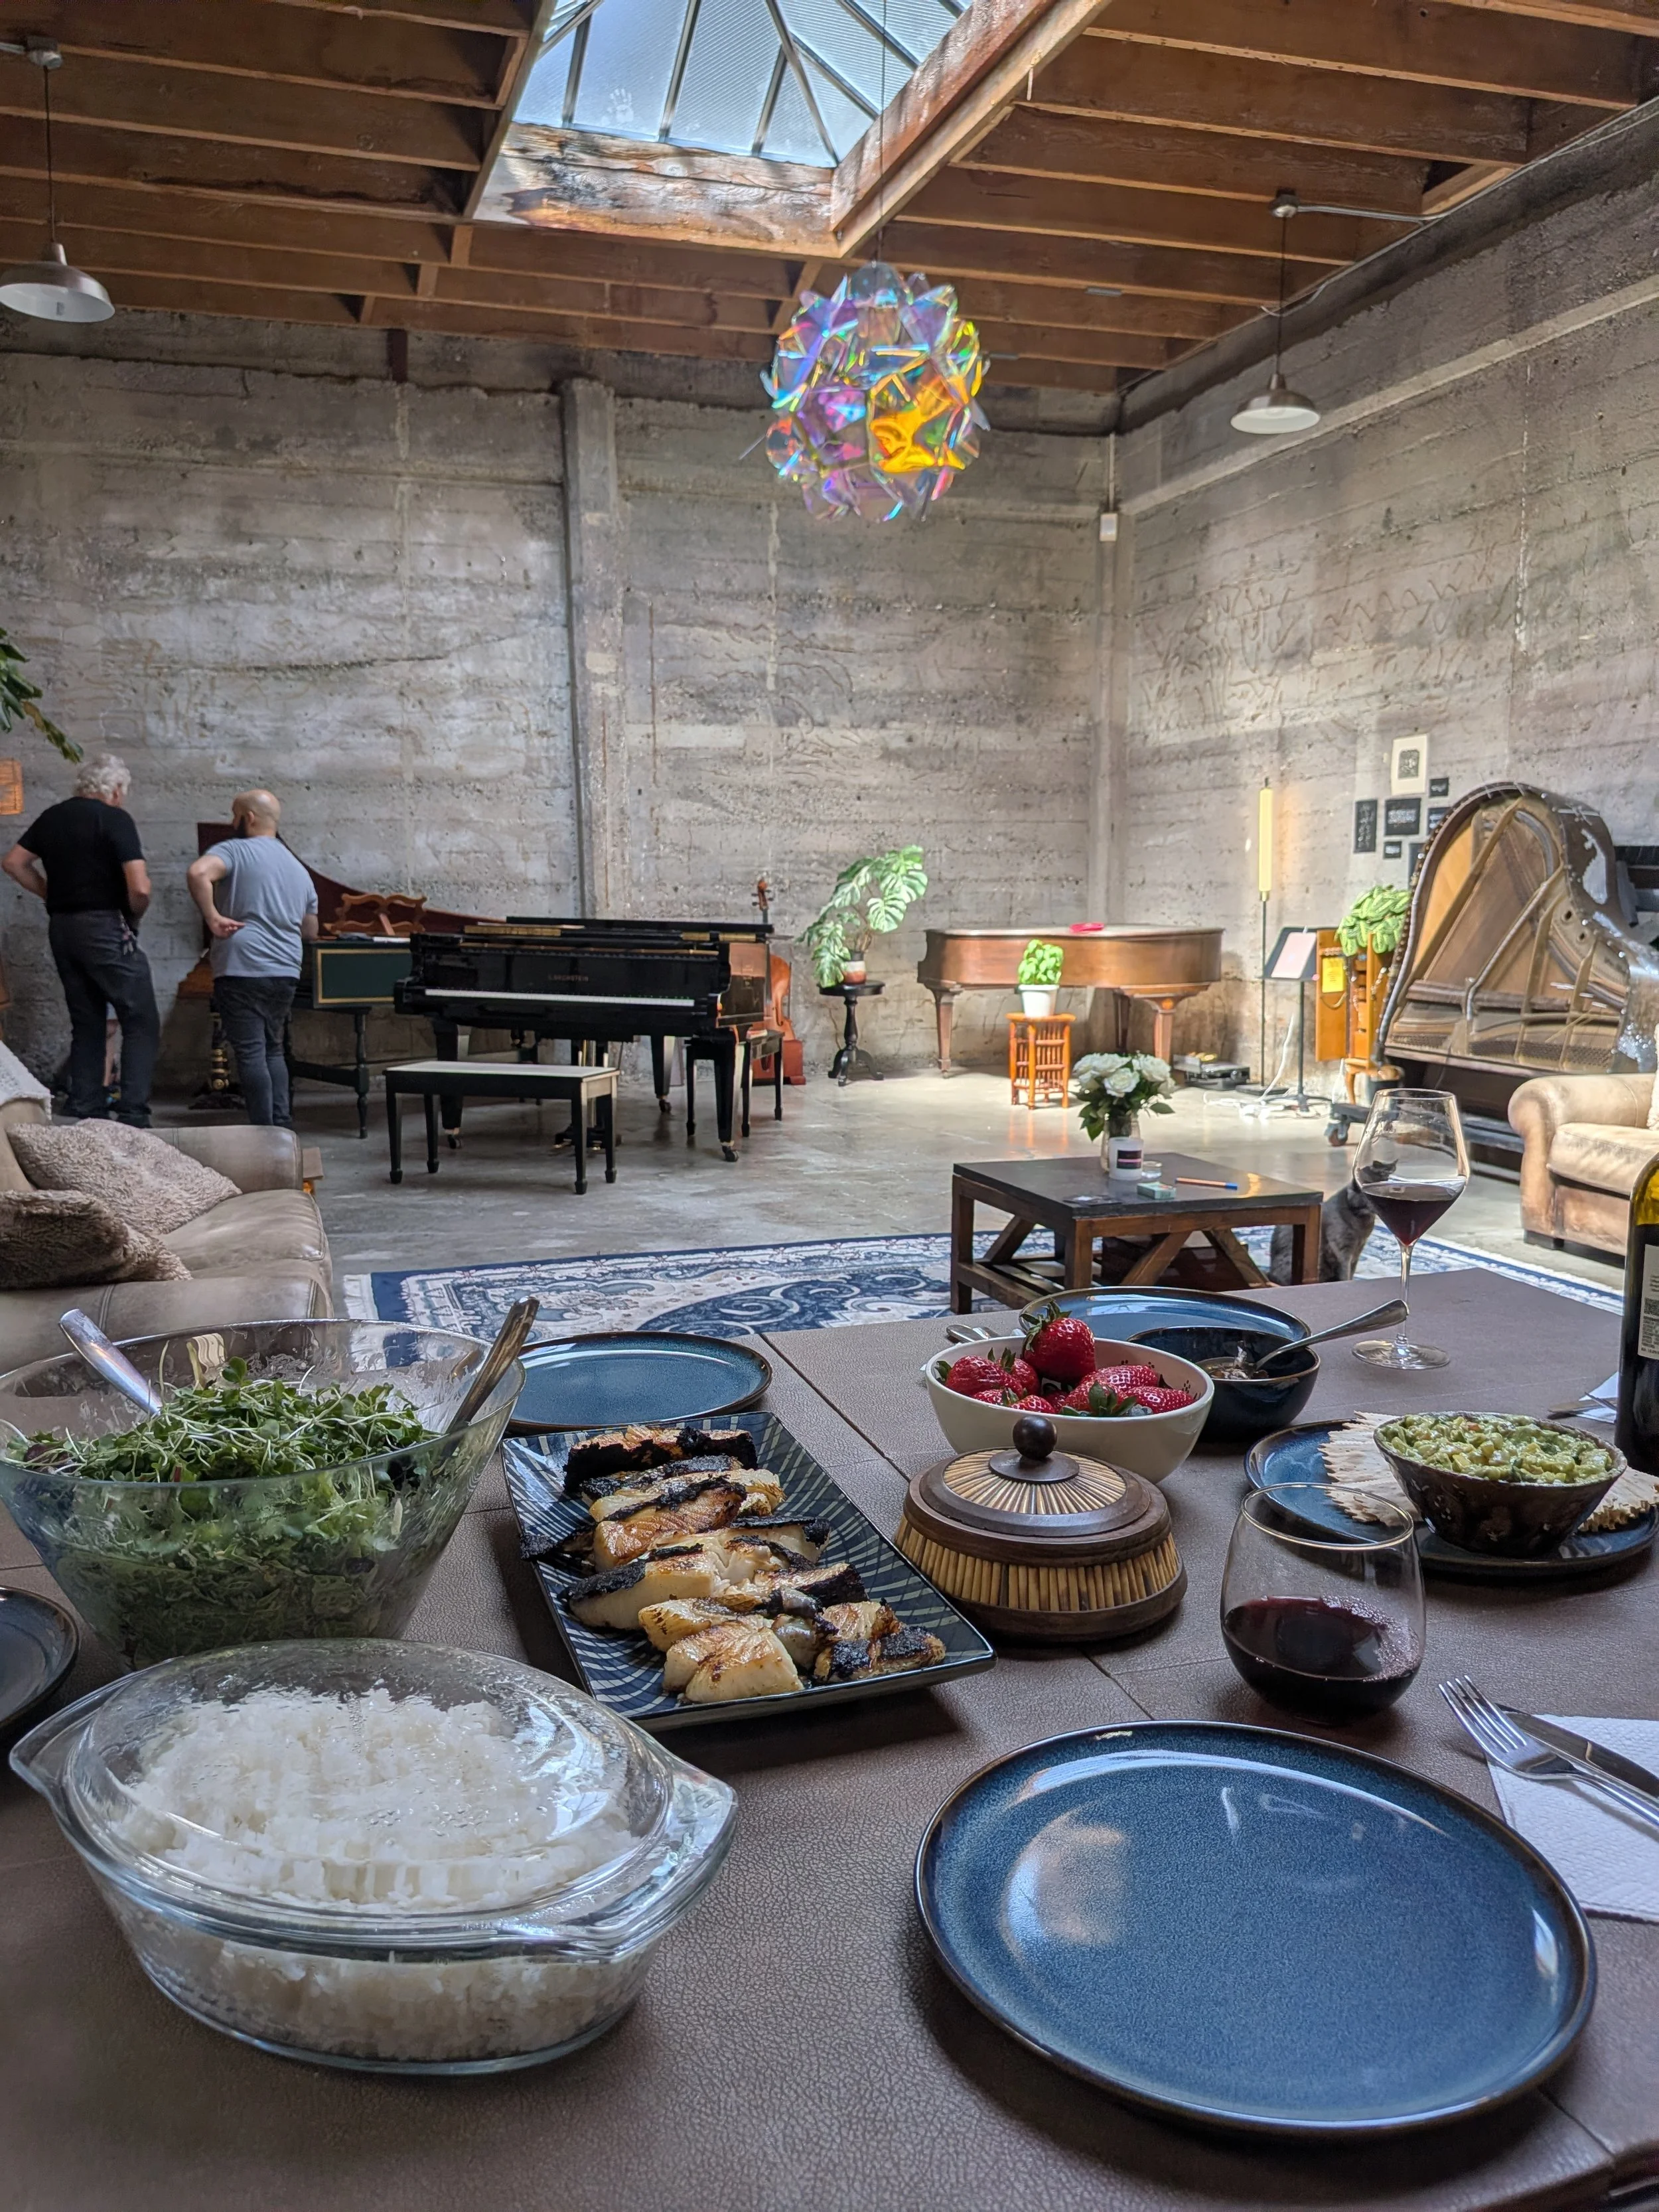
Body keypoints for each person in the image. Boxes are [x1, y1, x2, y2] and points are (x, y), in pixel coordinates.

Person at [1, 753, 159, 1125]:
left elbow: (13, 862)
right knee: (140, 1017)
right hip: (104, 926)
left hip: (63, 929)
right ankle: (133, 1113)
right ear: (116, 790)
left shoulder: (53, 816)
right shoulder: (115, 819)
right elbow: (139, 887)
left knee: (87, 1019)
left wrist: (50, 894)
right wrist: (133, 914)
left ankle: (86, 1106)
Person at [186, 788, 318, 1128]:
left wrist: (213, 917)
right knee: (273, 1049)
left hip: (242, 966)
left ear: (249, 818)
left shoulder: (234, 850)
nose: (232, 822)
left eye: (234, 815)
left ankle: (263, 1133)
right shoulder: (297, 867)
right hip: (286, 970)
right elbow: (310, 929)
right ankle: (282, 1127)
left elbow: (198, 873)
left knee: (250, 1052)